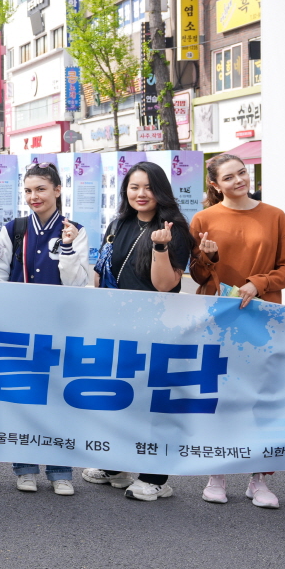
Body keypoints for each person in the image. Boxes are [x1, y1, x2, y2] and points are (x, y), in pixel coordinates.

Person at [189, 152, 285, 508]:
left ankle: (259, 479)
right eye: (229, 177)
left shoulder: (275, 216)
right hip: (218, 319)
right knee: (219, 396)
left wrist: (257, 282)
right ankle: (216, 474)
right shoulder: (204, 219)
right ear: (214, 184)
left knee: (262, 398)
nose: (239, 180)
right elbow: (198, 275)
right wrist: (209, 257)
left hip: (264, 318)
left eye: (242, 172)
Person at [81, 161, 192, 502]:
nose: (140, 194)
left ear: (161, 191)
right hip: (116, 325)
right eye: (133, 187)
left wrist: (160, 247)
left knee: (151, 402)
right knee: (117, 397)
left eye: (148, 187)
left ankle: (155, 477)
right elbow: (101, 273)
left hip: (155, 327)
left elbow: (165, 285)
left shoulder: (175, 229)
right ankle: (115, 465)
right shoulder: (118, 224)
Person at [0, 162, 91, 495]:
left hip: (62, 327)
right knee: (24, 396)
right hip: (19, 326)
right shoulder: (14, 229)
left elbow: (77, 283)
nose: (34, 196)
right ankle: (25, 467)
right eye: (29, 190)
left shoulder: (75, 230)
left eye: (41, 189)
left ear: (58, 190)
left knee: (60, 396)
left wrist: (68, 247)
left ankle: (61, 470)